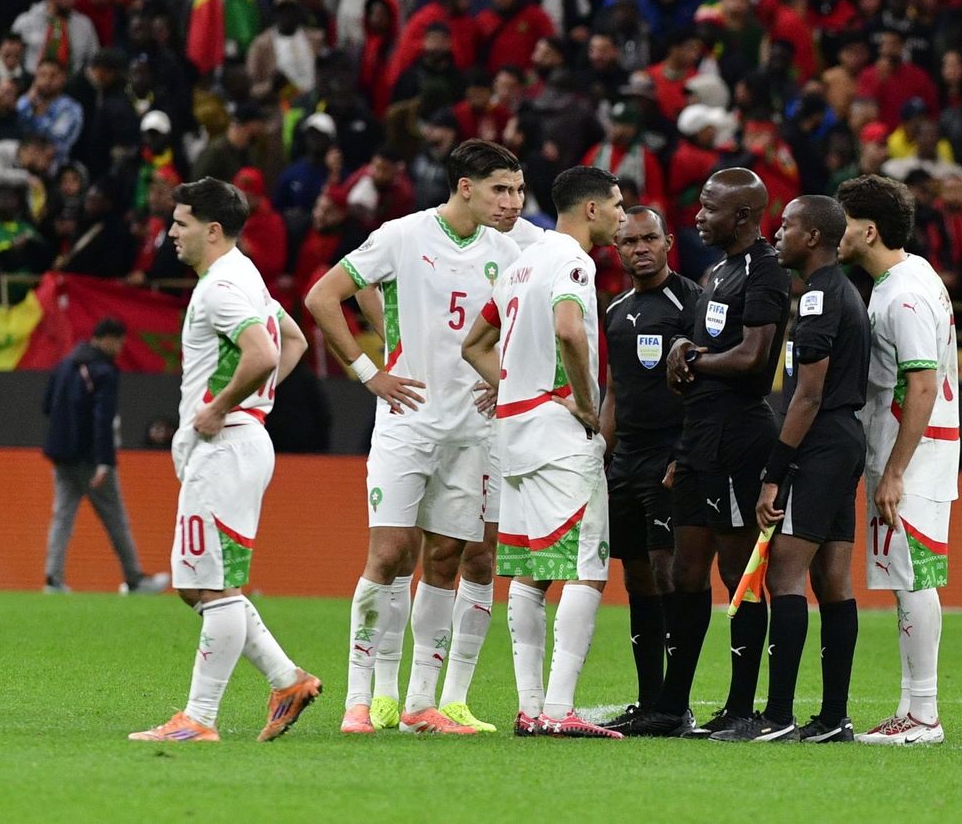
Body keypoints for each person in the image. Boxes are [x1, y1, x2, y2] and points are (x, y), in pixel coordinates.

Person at [305, 141, 525, 737]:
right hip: (409, 423)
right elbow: (323, 296)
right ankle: (359, 697)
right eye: (500, 189)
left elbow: (524, 333)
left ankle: (421, 704)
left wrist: (504, 382)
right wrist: (369, 372)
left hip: (474, 431)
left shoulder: (510, 253)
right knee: (389, 552)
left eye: (517, 190)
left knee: (449, 559)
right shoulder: (402, 236)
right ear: (464, 187)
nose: (512, 202)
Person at [129, 176, 320, 742]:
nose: (171, 234)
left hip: (226, 446)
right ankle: (287, 680)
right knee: (200, 584)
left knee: (210, 586)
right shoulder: (247, 277)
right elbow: (294, 342)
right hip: (241, 440)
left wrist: (222, 407)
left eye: (181, 223)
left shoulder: (218, 287)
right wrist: (255, 404)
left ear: (212, 230)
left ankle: (199, 719)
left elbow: (265, 352)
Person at [460, 165, 626, 739]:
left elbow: (473, 344)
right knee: (586, 569)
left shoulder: (518, 264)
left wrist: (511, 385)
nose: (622, 217)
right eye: (617, 205)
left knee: (531, 572)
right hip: (558, 430)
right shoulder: (573, 262)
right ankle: (558, 710)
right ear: (591, 210)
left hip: (514, 429)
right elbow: (570, 330)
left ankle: (531, 707)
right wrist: (585, 403)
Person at [631, 168, 791, 738]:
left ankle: (742, 708)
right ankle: (673, 706)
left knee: (737, 571)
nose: (697, 217)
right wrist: (679, 349)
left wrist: (692, 359)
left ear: (744, 216)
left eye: (709, 208)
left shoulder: (765, 273)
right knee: (683, 571)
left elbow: (752, 360)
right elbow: (701, 348)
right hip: (699, 440)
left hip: (738, 439)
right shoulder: (717, 271)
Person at [711, 195, 869, 743]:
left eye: (787, 227)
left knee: (784, 572)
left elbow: (807, 395)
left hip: (820, 442)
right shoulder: (835, 293)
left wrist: (775, 472)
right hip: (843, 441)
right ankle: (832, 719)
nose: (777, 235)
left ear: (814, 239)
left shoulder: (819, 298)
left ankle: (777, 716)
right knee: (831, 578)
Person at [836, 174, 958, 745]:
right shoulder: (911, 277)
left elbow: (923, 385)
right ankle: (913, 708)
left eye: (843, 220)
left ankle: (925, 713)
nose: (836, 231)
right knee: (908, 576)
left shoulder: (902, 295)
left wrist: (896, 470)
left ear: (869, 229)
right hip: (913, 450)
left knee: (915, 577)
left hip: (914, 453)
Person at [597, 207, 702, 733]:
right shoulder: (614, 309)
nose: (640, 248)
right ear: (617, 249)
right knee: (636, 576)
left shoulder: (691, 302)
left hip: (668, 457)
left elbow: (706, 388)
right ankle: (648, 699)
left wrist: (684, 453)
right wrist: (599, 452)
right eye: (630, 241)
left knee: (668, 573)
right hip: (626, 462)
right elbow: (615, 390)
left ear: (667, 244)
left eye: (650, 239)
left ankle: (674, 702)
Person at [41, 317, 169, 595]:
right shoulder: (104, 372)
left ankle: (53, 580)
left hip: (61, 455)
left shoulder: (66, 364)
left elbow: (47, 405)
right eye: (120, 341)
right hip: (90, 459)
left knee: (62, 517)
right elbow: (103, 420)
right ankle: (135, 579)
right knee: (115, 518)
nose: (121, 347)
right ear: (107, 338)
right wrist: (104, 461)